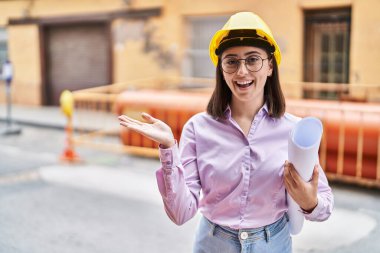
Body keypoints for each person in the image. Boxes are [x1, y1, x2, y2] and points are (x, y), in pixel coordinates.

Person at [118, 11, 333, 253]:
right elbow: (180, 213)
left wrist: (310, 202)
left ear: (270, 66)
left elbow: (325, 207)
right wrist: (169, 149)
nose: (242, 71)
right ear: (221, 68)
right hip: (213, 244)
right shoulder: (198, 129)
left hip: (273, 244)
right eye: (231, 61)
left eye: (253, 59)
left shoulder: (294, 130)